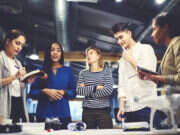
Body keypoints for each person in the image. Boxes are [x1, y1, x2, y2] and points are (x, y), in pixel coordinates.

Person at [111, 22, 161, 127]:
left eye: (121, 37)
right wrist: (121, 106)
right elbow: (121, 85)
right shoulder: (122, 60)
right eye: (117, 39)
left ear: (129, 33)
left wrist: (130, 59)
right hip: (129, 109)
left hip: (147, 106)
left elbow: (149, 75)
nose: (119, 41)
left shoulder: (146, 49)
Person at [30, 42, 76, 129]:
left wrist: (64, 92)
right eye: (52, 50)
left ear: (61, 54)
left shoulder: (68, 71)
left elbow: (73, 92)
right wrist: (44, 91)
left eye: (58, 50)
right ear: (48, 53)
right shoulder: (40, 71)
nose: (55, 53)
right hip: (44, 114)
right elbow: (32, 93)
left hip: (63, 115)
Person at [0, 29, 34, 123]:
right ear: (7, 41)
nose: (19, 48)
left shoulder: (18, 63)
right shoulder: (1, 58)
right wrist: (14, 76)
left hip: (18, 101)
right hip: (5, 102)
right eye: (17, 43)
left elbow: (19, 85)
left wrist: (26, 81)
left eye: (21, 45)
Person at [76, 45, 114, 129]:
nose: (88, 56)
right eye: (87, 54)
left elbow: (108, 90)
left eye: (91, 53)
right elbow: (79, 91)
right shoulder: (83, 73)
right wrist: (95, 87)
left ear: (98, 56)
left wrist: (87, 91)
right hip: (87, 112)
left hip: (104, 111)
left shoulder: (107, 72)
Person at [139, 12, 180, 85]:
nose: (152, 35)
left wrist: (154, 77)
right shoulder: (170, 47)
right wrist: (152, 77)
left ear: (165, 28)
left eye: (154, 29)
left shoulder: (177, 42)